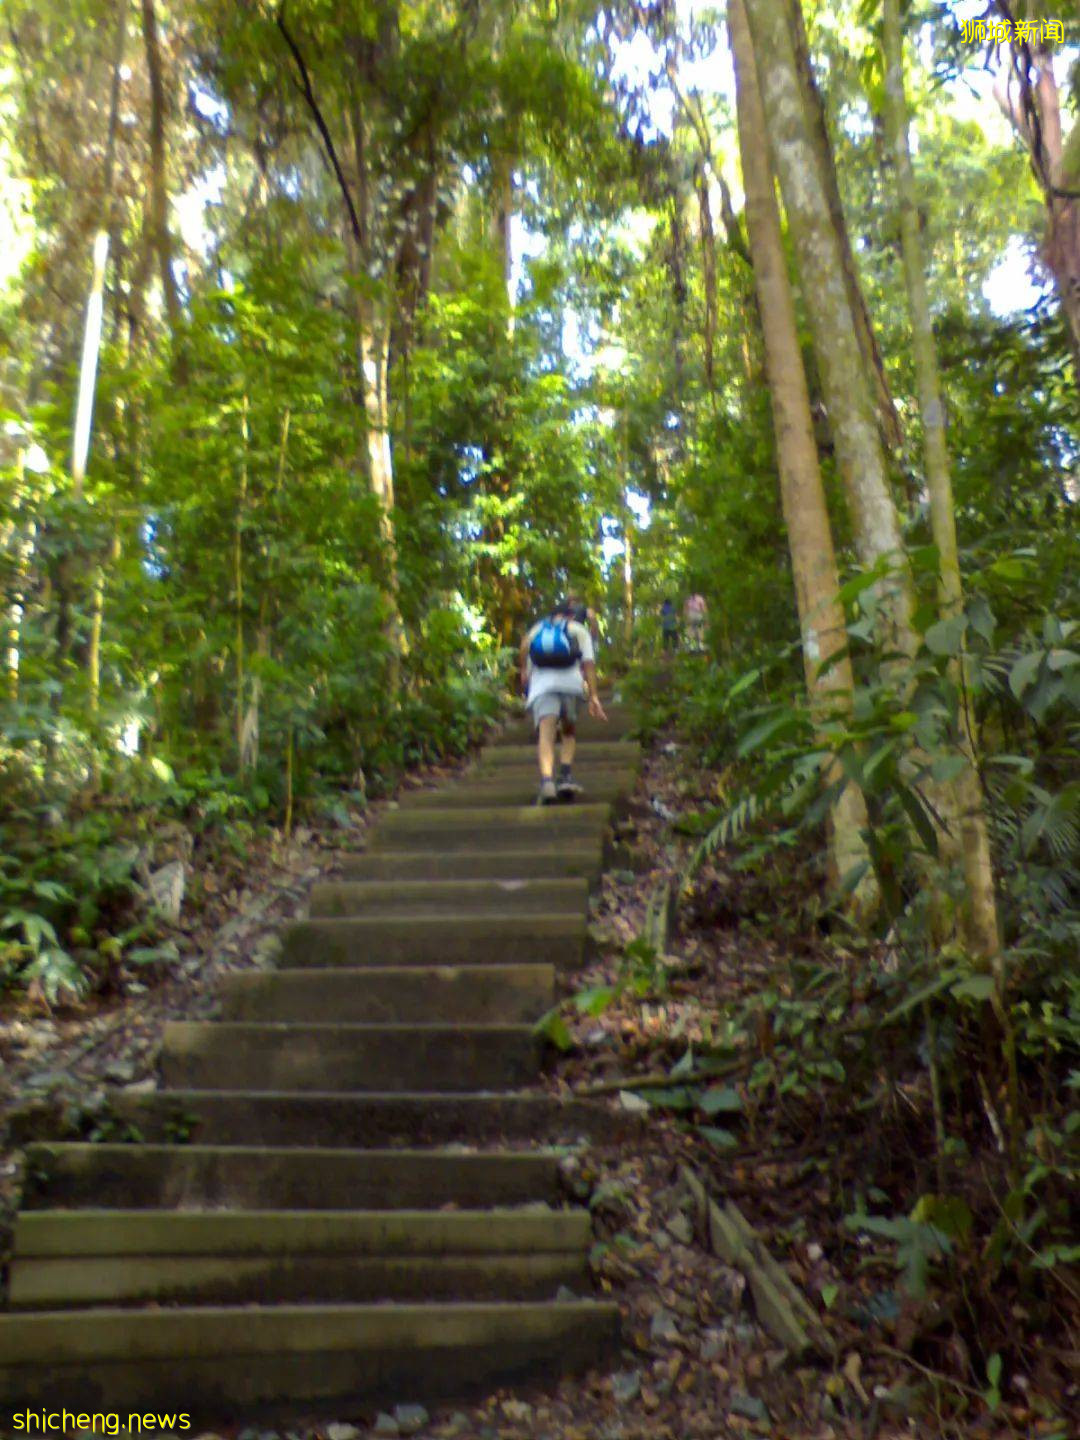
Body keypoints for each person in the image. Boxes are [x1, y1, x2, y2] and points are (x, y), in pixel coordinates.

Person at [520, 599, 608, 805]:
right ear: (570, 615)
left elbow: (524, 647)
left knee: (546, 732)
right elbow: (588, 665)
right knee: (569, 731)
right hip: (571, 685)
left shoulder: (538, 629)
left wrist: (524, 672)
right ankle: (565, 774)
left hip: (542, 687)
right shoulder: (578, 629)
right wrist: (594, 696)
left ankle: (547, 781)